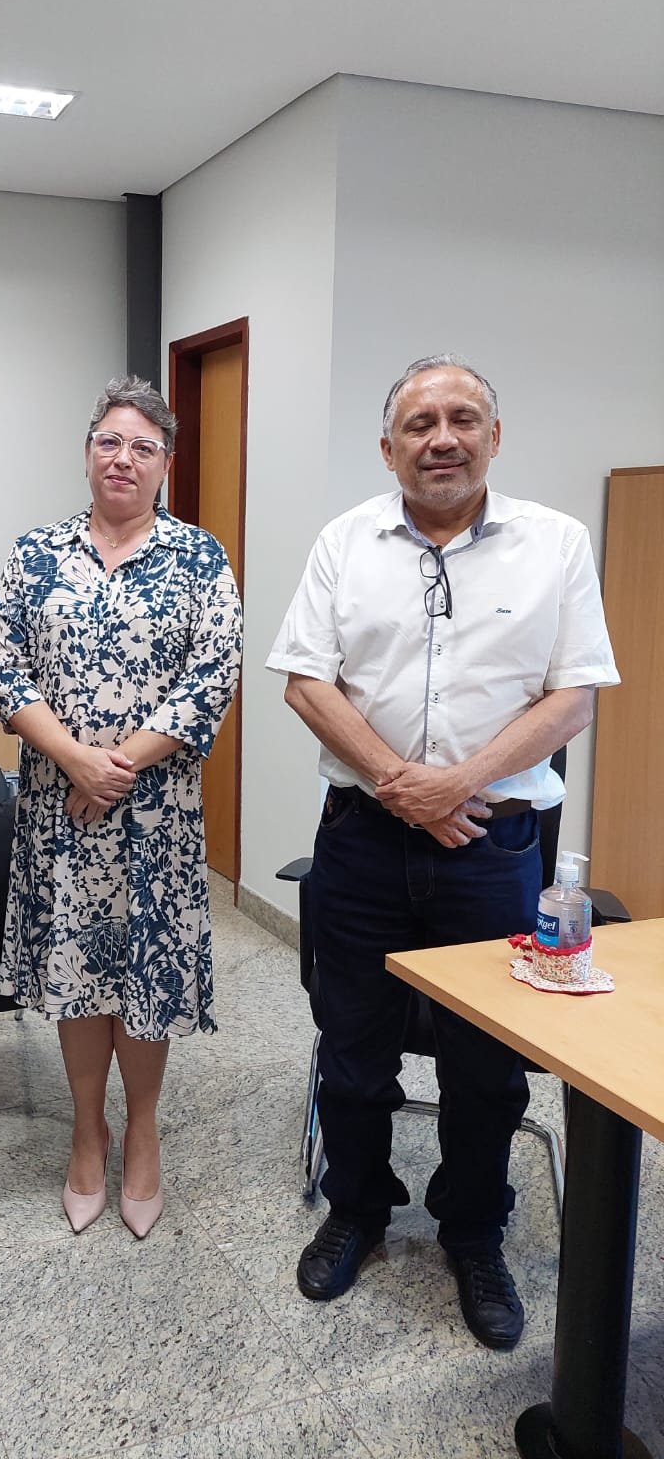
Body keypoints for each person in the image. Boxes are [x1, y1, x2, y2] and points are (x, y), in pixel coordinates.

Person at [268, 355, 620, 1347]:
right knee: (354, 1045)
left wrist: (455, 785)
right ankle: (361, 1209)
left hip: (493, 844)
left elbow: (574, 695)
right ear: (390, 448)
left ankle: (474, 1232)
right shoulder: (347, 542)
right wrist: (398, 783)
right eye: (420, 423)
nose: (442, 438)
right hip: (364, 843)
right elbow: (306, 681)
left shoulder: (557, 543)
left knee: (487, 1065)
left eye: (463, 418)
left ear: (493, 437)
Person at [0, 375, 242, 1239]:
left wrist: (120, 764)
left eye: (143, 446)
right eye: (109, 441)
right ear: (87, 451)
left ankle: (142, 1132)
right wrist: (72, 760)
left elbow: (215, 675)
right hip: (63, 812)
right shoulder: (36, 554)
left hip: (154, 817)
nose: (123, 458)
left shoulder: (200, 558)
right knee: (80, 974)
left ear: (166, 462)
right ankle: (86, 1132)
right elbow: (5, 667)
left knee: (142, 976)